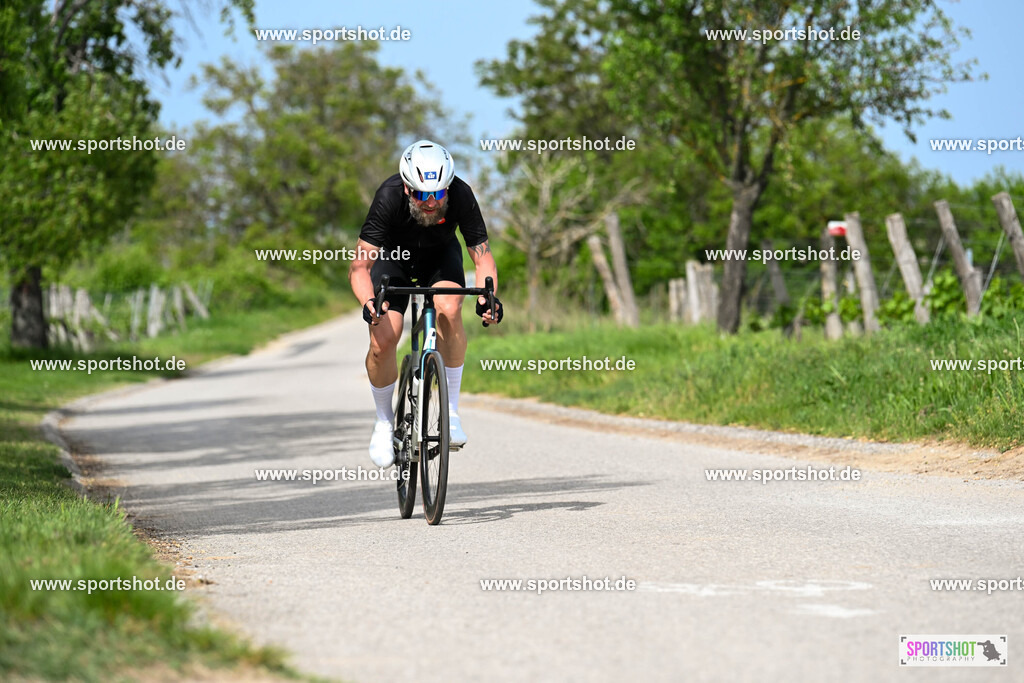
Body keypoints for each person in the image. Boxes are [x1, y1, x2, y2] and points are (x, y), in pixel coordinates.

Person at [348, 140, 503, 467]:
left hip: (439, 258)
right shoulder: (388, 196)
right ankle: (383, 422)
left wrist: (489, 297)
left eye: (438, 194)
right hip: (394, 260)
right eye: (422, 195)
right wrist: (368, 303)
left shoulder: (461, 195)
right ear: (407, 189)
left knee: (449, 308)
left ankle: (451, 414)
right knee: (383, 339)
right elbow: (360, 267)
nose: (431, 202)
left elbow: (484, 259)